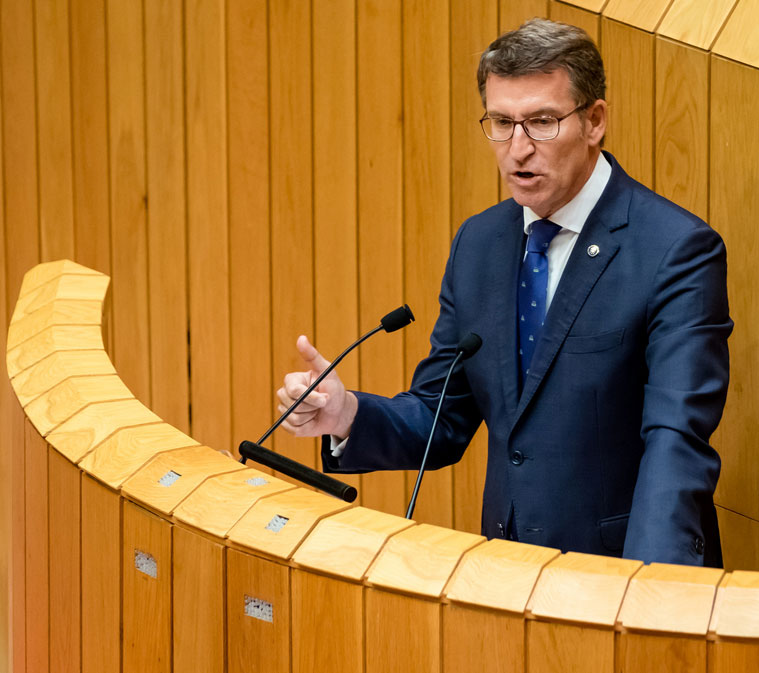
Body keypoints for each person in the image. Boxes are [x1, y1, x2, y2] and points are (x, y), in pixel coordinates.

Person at [276, 18, 732, 566]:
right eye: (501, 123)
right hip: (505, 578)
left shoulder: (675, 250)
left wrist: (647, 589)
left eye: (541, 122)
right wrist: (346, 415)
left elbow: (676, 441)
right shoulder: (481, 243)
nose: (518, 150)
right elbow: (441, 415)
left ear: (594, 121)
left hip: (620, 575)